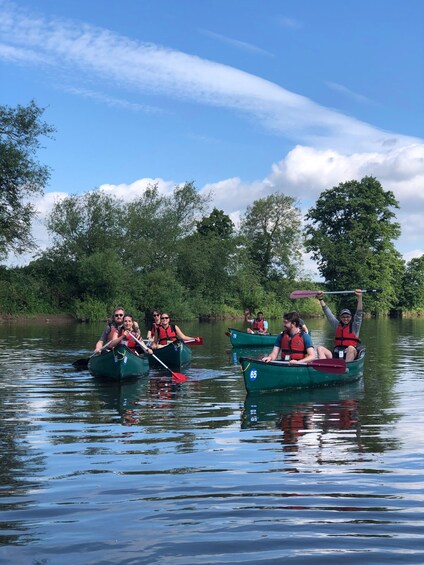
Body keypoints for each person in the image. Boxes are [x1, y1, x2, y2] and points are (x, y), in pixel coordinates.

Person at [316, 289, 363, 362]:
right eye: (343, 317)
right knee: (320, 348)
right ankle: (322, 367)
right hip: (337, 353)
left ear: (351, 317)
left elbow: (359, 313)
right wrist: (320, 299)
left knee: (350, 348)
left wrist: (360, 297)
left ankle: (346, 366)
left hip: (351, 353)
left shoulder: (355, 326)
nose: (345, 319)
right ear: (340, 318)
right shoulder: (337, 325)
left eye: (347, 317)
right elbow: (328, 313)